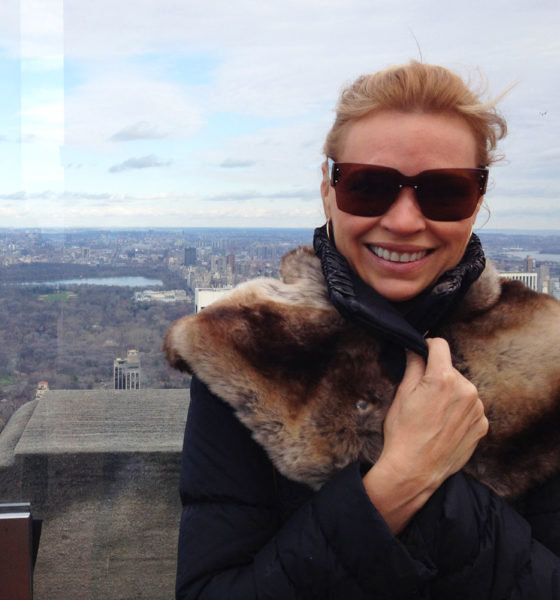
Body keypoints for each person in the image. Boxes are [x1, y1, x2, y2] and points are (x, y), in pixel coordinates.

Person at [164, 61, 560, 599]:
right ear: (328, 191)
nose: (402, 220)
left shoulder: (546, 351)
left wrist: (444, 503)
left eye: (444, 192)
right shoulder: (250, 346)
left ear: (477, 203)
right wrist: (402, 481)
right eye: (369, 187)